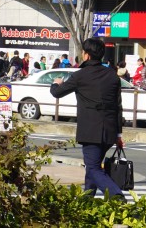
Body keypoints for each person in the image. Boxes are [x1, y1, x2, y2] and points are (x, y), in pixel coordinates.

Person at [49, 37, 125, 199]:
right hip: (110, 131)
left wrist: (56, 83)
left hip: (91, 131)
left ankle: (116, 195)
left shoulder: (81, 75)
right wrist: (119, 134)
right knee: (94, 166)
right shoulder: (113, 76)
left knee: (93, 168)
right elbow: (118, 106)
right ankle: (86, 200)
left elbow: (57, 93)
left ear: (87, 55)